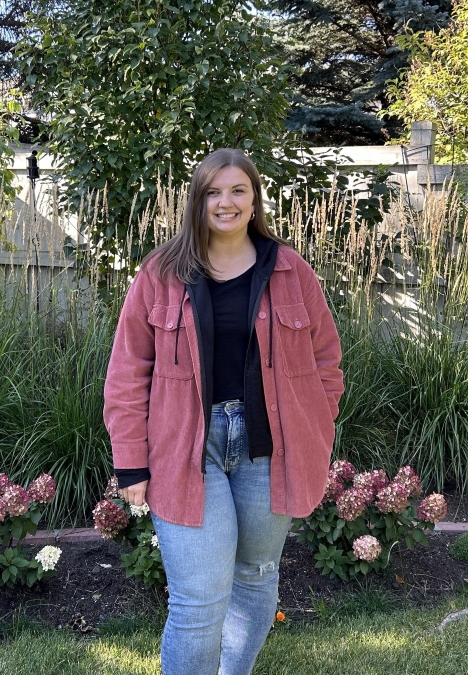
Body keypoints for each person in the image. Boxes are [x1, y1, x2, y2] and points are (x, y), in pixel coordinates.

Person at [103, 148, 344, 674]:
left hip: (269, 446)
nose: (226, 202)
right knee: (198, 600)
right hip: (186, 446)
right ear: (197, 200)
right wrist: (131, 462)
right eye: (213, 191)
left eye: (237, 190)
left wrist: (316, 426)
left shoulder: (289, 270)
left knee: (256, 575)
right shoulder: (161, 273)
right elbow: (126, 375)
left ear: (254, 198)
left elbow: (327, 359)